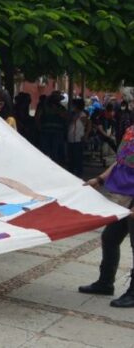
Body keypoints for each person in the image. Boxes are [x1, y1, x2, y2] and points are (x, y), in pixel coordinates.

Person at [78, 124, 134, 307]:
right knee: (109, 238)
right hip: (123, 196)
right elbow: (120, 161)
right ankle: (105, 283)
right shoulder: (130, 130)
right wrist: (100, 179)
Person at [67, 98, 91, 178]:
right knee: (71, 159)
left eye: (73, 105)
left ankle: (78, 175)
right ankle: (71, 174)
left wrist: (86, 135)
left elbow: (89, 124)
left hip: (78, 139)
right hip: (71, 139)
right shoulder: (72, 114)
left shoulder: (82, 115)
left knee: (78, 159)